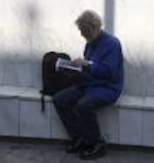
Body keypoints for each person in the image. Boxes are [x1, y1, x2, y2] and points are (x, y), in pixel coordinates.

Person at [53, 10, 124, 160]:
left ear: (93, 28)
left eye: (83, 31)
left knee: (83, 105)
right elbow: (88, 68)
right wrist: (73, 68)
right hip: (89, 84)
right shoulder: (90, 43)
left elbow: (109, 72)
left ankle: (97, 144)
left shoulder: (112, 44)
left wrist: (87, 64)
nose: (81, 34)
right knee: (59, 99)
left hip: (107, 88)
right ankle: (79, 138)